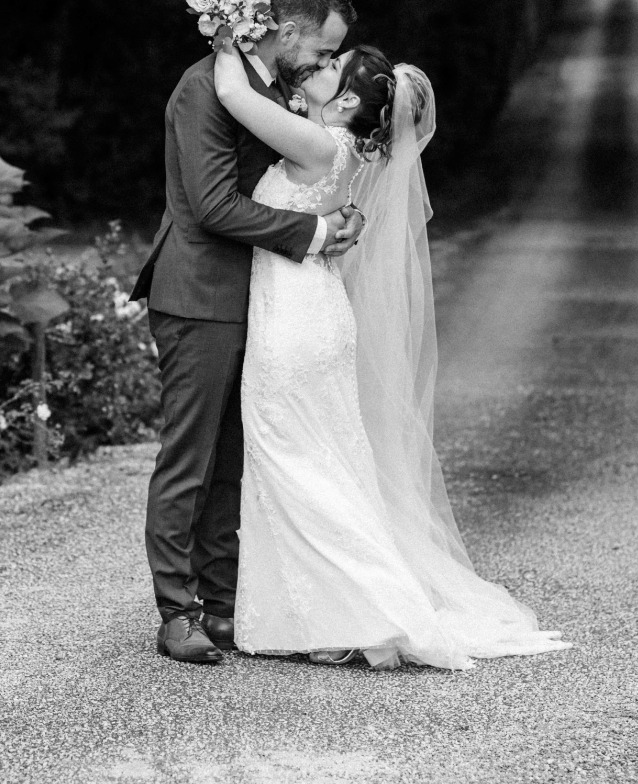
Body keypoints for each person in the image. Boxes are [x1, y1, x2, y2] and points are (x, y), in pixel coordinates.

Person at [213, 40, 571, 669]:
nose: (319, 69)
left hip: (295, 319)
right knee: (318, 462)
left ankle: (363, 607)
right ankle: (320, 612)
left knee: (295, 461)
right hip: (313, 310)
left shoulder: (319, 145)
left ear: (348, 98)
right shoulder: (351, 155)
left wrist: (226, 31)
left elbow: (232, 95)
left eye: (330, 67)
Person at [130, 0, 367, 664]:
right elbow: (210, 205)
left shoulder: (264, 92)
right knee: (190, 460)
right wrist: (315, 234)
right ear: (287, 30)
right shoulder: (205, 88)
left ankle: (223, 606)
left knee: (231, 462)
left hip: (257, 300)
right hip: (198, 295)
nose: (323, 64)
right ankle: (176, 612)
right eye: (322, 49)